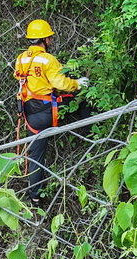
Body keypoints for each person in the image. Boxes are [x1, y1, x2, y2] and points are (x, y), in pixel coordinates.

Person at [14, 18, 90, 207]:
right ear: (45, 39)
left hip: (30, 114)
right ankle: (89, 135)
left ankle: (35, 198)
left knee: (36, 156)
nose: (51, 41)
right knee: (83, 99)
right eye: (50, 38)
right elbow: (60, 83)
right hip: (49, 110)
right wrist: (77, 84)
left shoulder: (21, 59)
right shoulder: (47, 59)